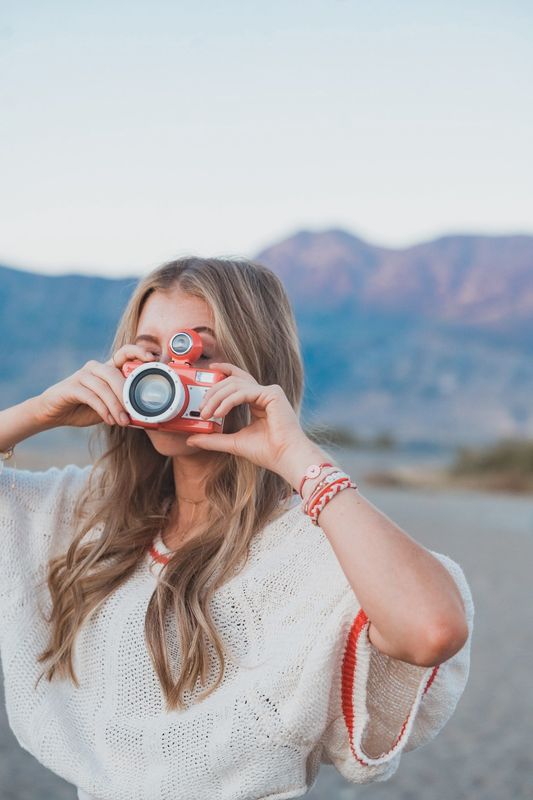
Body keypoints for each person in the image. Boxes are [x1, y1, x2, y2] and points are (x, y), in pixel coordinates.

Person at [0, 256, 474, 800]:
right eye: (151, 353)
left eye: (197, 353)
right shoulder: (85, 513)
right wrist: (41, 411)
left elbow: (431, 630)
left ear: (256, 369)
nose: (167, 376)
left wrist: (295, 457)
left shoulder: (312, 547)